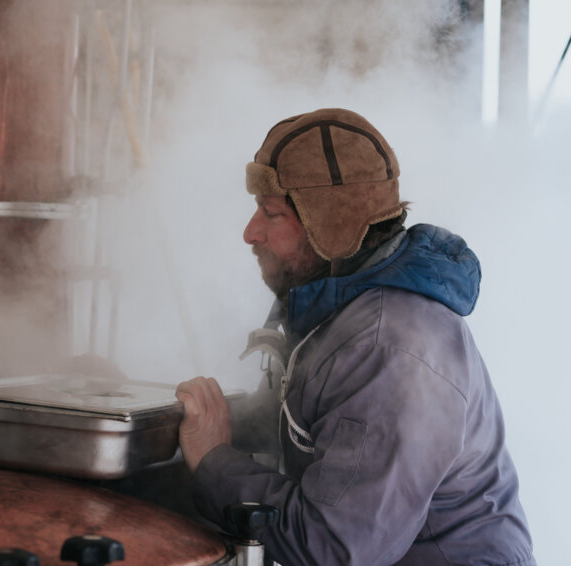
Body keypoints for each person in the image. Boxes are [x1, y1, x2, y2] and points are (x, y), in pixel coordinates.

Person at [175, 108, 535, 565]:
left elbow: (335, 548)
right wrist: (177, 419)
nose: (251, 232)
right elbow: (319, 420)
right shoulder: (345, 306)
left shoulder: (390, 348)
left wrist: (213, 462)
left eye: (271, 213)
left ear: (332, 228)